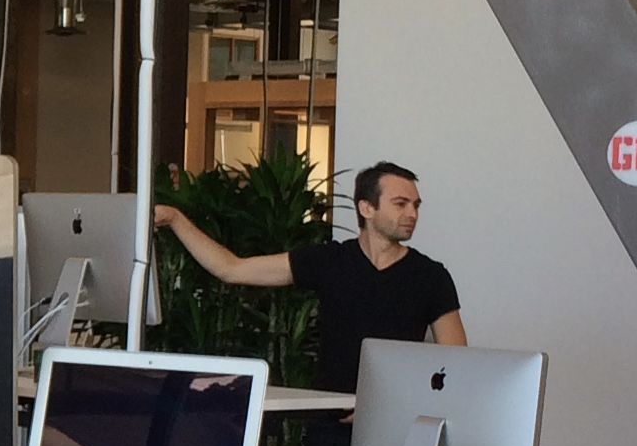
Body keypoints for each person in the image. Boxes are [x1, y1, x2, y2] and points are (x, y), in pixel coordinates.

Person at [153, 159, 464, 396]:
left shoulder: (431, 276)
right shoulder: (328, 260)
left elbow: (454, 363)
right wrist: (175, 219)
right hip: (328, 421)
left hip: (396, 424)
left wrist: (387, 404)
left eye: (415, 205)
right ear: (367, 208)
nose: (412, 214)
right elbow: (231, 269)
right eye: (401, 204)